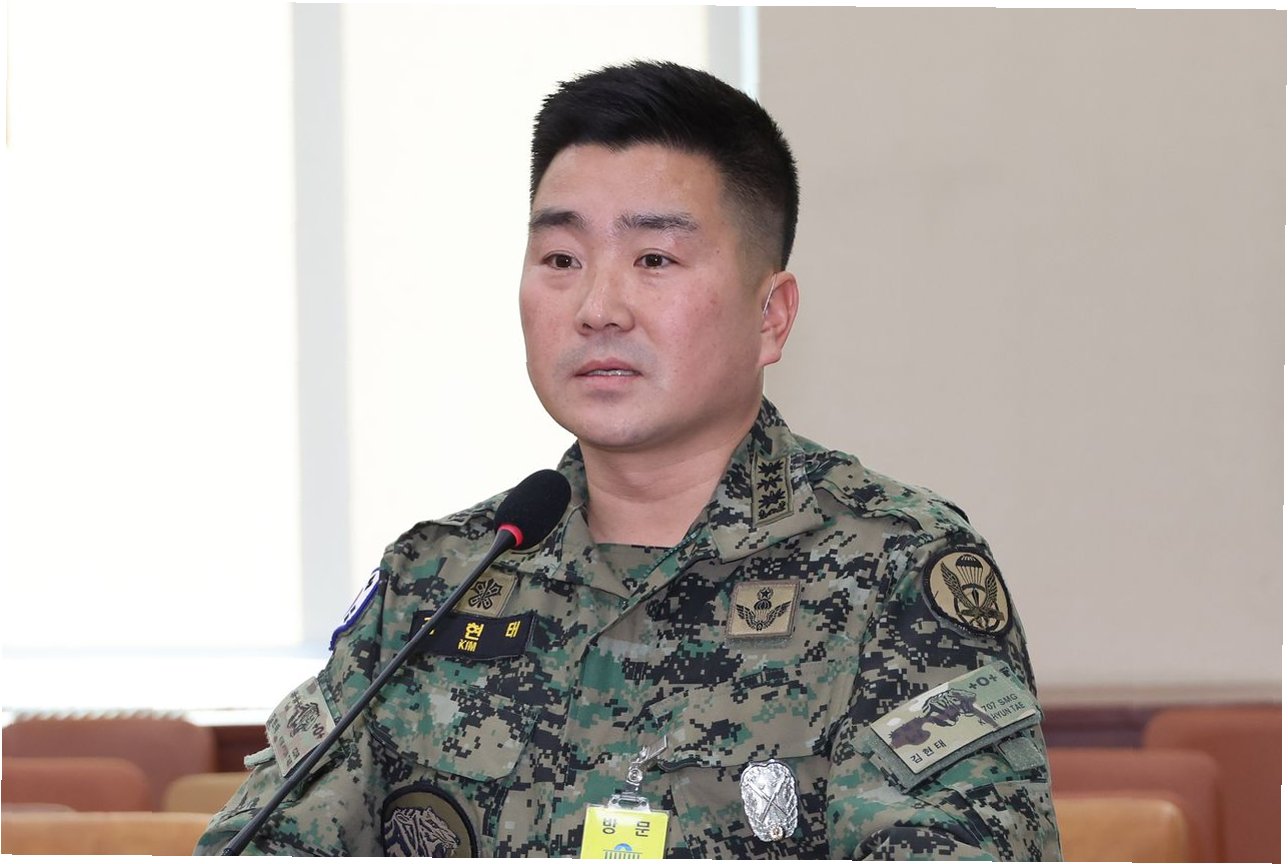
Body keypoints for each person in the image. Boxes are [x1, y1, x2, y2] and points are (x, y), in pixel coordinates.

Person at [196, 60, 1062, 859]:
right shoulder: (439, 578)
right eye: (561, 259)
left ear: (771, 316)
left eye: (653, 259)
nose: (598, 306)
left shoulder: (897, 571)